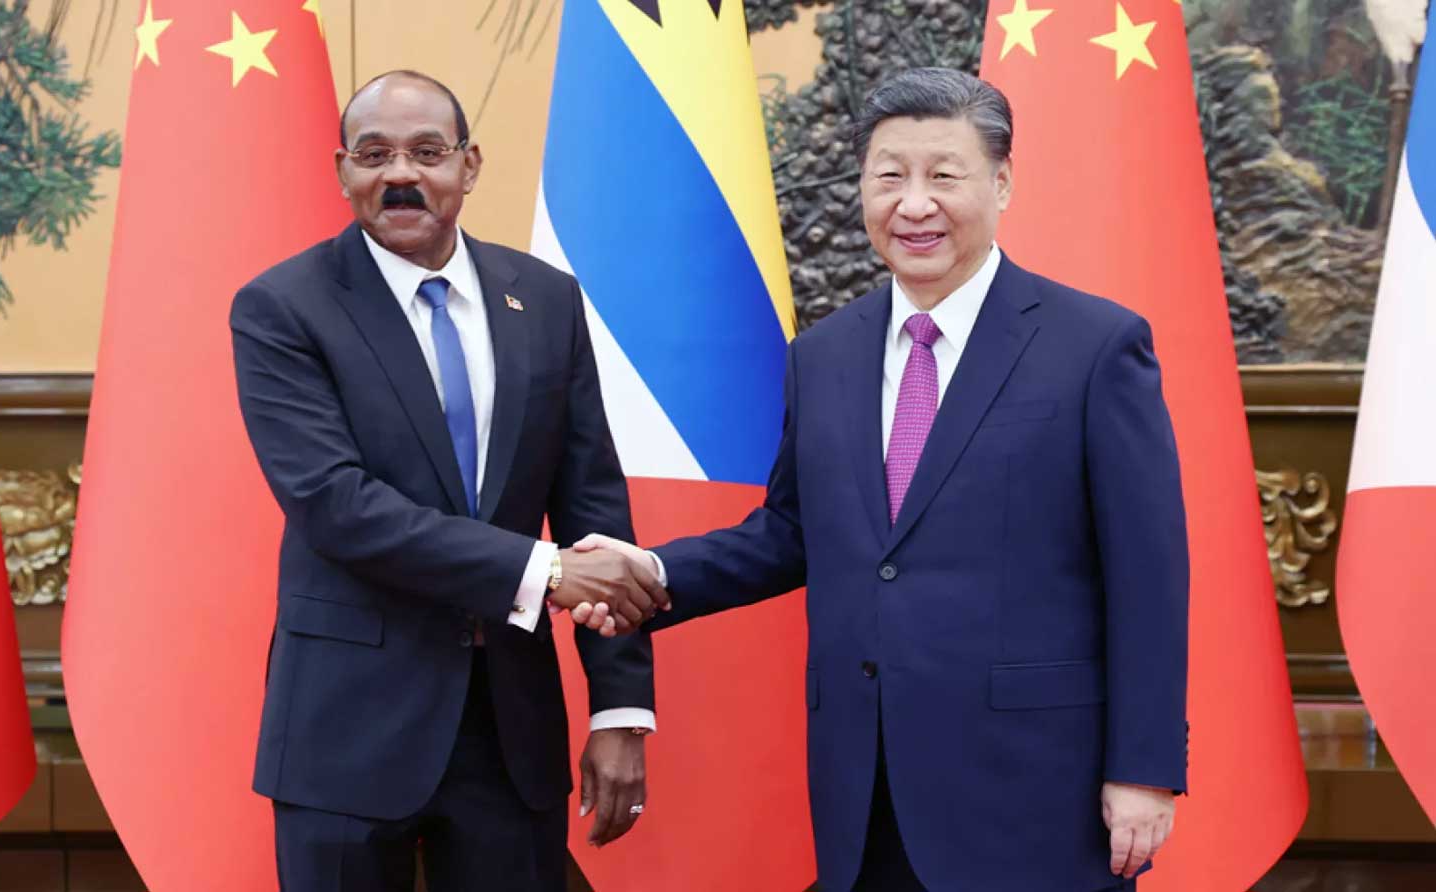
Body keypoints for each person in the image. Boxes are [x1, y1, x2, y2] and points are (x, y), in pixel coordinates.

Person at [573, 68, 1189, 892]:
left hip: (1037, 790)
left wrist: (1144, 768)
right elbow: (793, 532)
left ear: (1002, 182)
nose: (914, 203)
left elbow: (1148, 574)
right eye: (889, 175)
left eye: (944, 175)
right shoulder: (824, 355)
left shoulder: (1096, 345)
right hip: (865, 790)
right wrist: (651, 574)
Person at [229, 70, 668, 892]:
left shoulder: (546, 301)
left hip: (510, 728)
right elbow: (337, 507)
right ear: (342, 171)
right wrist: (546, 572)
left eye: (427, 152)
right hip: (346, 728)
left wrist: (619, 708)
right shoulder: (283, 308)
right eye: (375, 154)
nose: (401, 175)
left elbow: (595, 510)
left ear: (469, 165)